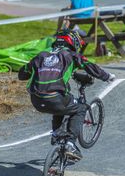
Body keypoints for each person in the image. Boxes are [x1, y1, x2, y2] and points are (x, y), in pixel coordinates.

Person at [18, 30, 115, 161]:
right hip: (56, 98)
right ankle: (70, 143)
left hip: (36, 100)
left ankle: (56, 135)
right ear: (72, 41)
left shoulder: (40, 56)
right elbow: (89, 65)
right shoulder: (70, 55)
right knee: (80, 108)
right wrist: (107, 76)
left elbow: (22, 74)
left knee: (60, 108)